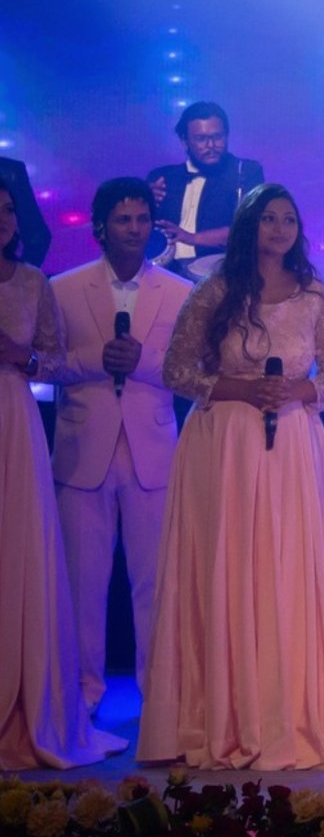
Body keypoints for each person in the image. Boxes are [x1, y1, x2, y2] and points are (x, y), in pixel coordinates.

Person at [138, 184, 324, 770]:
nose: (280, 228)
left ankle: (292, 710)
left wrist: (296, 391)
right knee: (229, 565)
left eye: (289, 219)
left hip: (293, 442)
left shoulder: (313, 294)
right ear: (248, 226)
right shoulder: (214, 291)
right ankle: (224, 713)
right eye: (269, 218)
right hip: (225, 443)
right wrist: (240, 388)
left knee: (288, 565)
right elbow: (176, 369)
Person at [51, 178, 190, 717]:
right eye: (123, 219)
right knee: (82, 585)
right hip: (82, 449)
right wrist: (96, 361)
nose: (134, 229)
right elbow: (45, 363)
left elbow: (190, 370)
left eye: (142, 219)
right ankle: (82, 694)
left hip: (152, 451)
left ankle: (159, 696)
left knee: (154, 583)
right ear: (101, 227)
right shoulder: (63, 288)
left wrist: (143, 363)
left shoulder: (179, 291)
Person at [0, 180, 125, 768]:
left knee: (21, 546)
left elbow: (50, 358)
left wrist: (18, 357)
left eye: (7, 210)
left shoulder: (32, 282)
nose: (2, 219)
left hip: (14, 417)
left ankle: (30, 699)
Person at [146, 100, 265, 274]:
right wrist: (144, 201)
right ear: (185, 141)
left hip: (220, 273)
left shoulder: (245, 171)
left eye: (217, 137)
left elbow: (251, 229)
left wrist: (192, 238)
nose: (211, 145)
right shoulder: (163, 177)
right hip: (166, 275)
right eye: (201, 139)